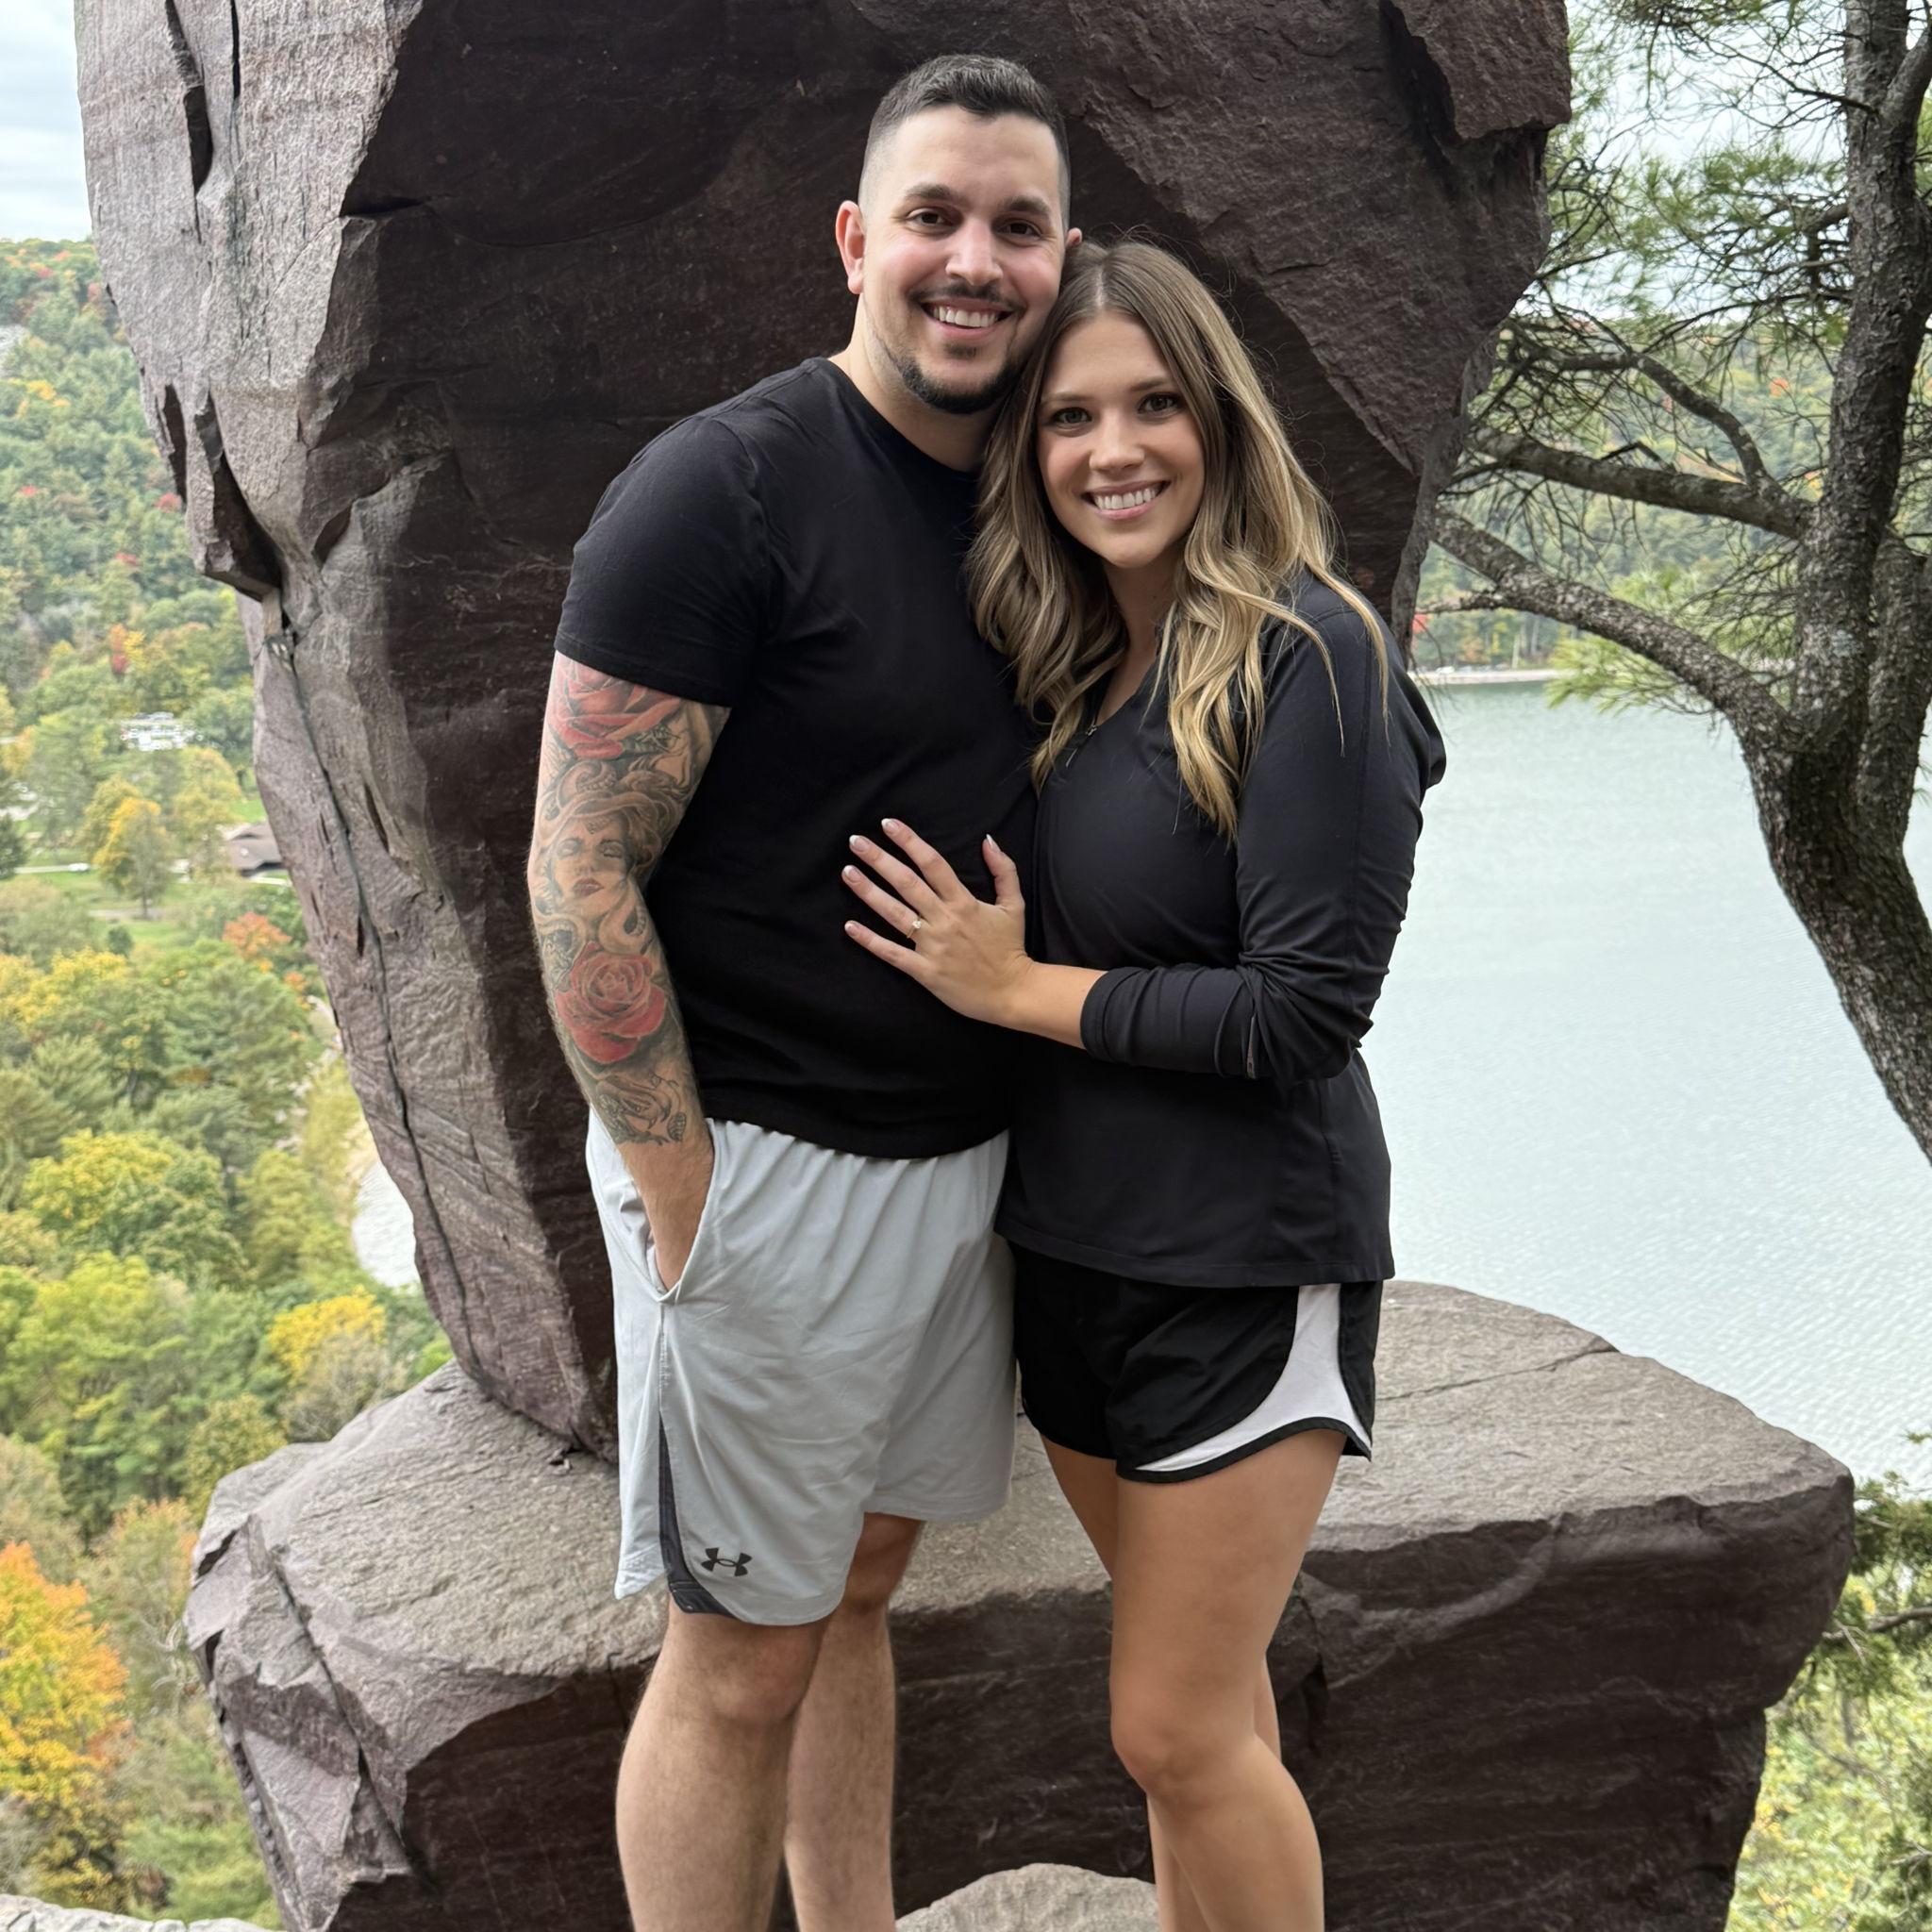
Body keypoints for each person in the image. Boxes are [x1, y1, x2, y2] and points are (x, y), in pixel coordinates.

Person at [524, 55, 1079, 1932]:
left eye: (1014, 223)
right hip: (767, 1168)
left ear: (1060, 258)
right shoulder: (724, 490)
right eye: (932, 214)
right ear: (856, 238)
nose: (970, 258)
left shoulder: (1039, 498)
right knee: (736, 1656)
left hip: (961, 1167)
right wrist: (691, 1212)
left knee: (852, 1595)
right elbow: (576, 866)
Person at [840, 240, 1446, 1932]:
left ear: (1222, 421)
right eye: (1072, 417)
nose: (1116, 449)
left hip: (1246, 1267)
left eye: (1156, 405)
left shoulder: (1309, 655)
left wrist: (1015, 987)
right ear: (1025, 452)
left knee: (1170, 1728)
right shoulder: (1077, 663)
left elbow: (1301, 1013)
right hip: (1080, 1265)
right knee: (1213, 1726)